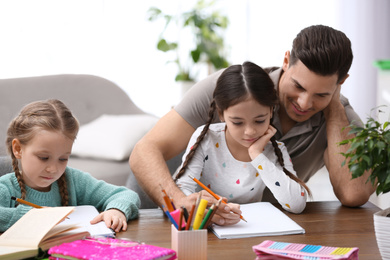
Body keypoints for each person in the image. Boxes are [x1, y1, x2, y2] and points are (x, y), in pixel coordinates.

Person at [130, 25, 375, 226]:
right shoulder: (229, 88)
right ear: (286, 61)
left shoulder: (340, 116)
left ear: (341, 83)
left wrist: (332, 107)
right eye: (298, 86)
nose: (304, 102)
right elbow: (144, 151)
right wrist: (181, 202)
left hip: (246, 227)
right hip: (163, 213)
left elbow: (353, 194)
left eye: (321, 94)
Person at [174, 62, 311, 223]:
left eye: (260, 121)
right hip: (204, 230)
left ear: (271, 111)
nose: (250, 132)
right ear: (221, 114)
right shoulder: (207, 138)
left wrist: (256, 155)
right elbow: (182, 191)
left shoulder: (275, 150)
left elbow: (297, 204)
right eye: (238, 122)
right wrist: (208, 208)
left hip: (248, 231)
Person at [0, 99, 140, 233]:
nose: (53, 169)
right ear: (18, 149)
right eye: (44, 158)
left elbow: (126, 195)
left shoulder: (73, 180)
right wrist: (32, 217)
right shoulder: (6, 188)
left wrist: (117, 210)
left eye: (63, 159)